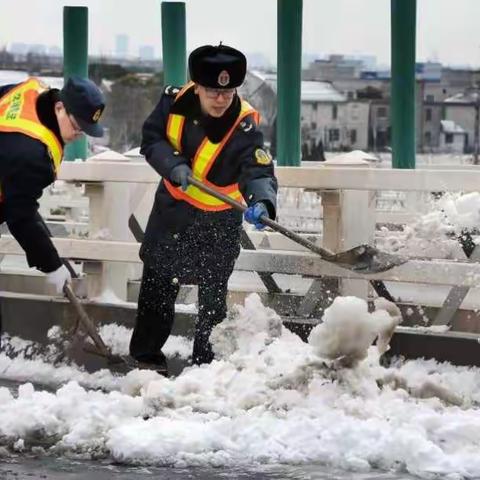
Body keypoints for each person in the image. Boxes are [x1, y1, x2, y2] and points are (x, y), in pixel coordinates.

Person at [129, 44, 278, 373]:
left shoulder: (245, 126)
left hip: (219, 222)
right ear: (196, 85)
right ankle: (146, 359)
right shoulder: (172, 102)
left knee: (212, 300)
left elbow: (258, 170)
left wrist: (262, 200)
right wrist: (173, 165)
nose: (221, 99)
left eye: (228, 91)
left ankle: (204, 369)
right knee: (157, 288)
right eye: (212, 90)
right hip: (171, 212)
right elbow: (152, 139)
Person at [0, 76, 105, 295]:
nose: (79, 135)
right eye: (77, 127)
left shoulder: (30, 91)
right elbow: (20, 217)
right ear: (59, 108)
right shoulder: (31, 154)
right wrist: (52, 265)